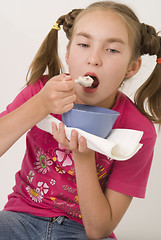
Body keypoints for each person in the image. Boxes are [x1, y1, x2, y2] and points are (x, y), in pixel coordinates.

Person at [0, 1, 161, 239]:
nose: (93, 59)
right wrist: (41, 104)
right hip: (20, 218)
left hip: (80, 231)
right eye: (84, 44)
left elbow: (99, 230)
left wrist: (84, 157)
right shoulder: (40, 92)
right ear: (68, 53)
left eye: (112, 50)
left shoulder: (138, 131)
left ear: (132, 67)